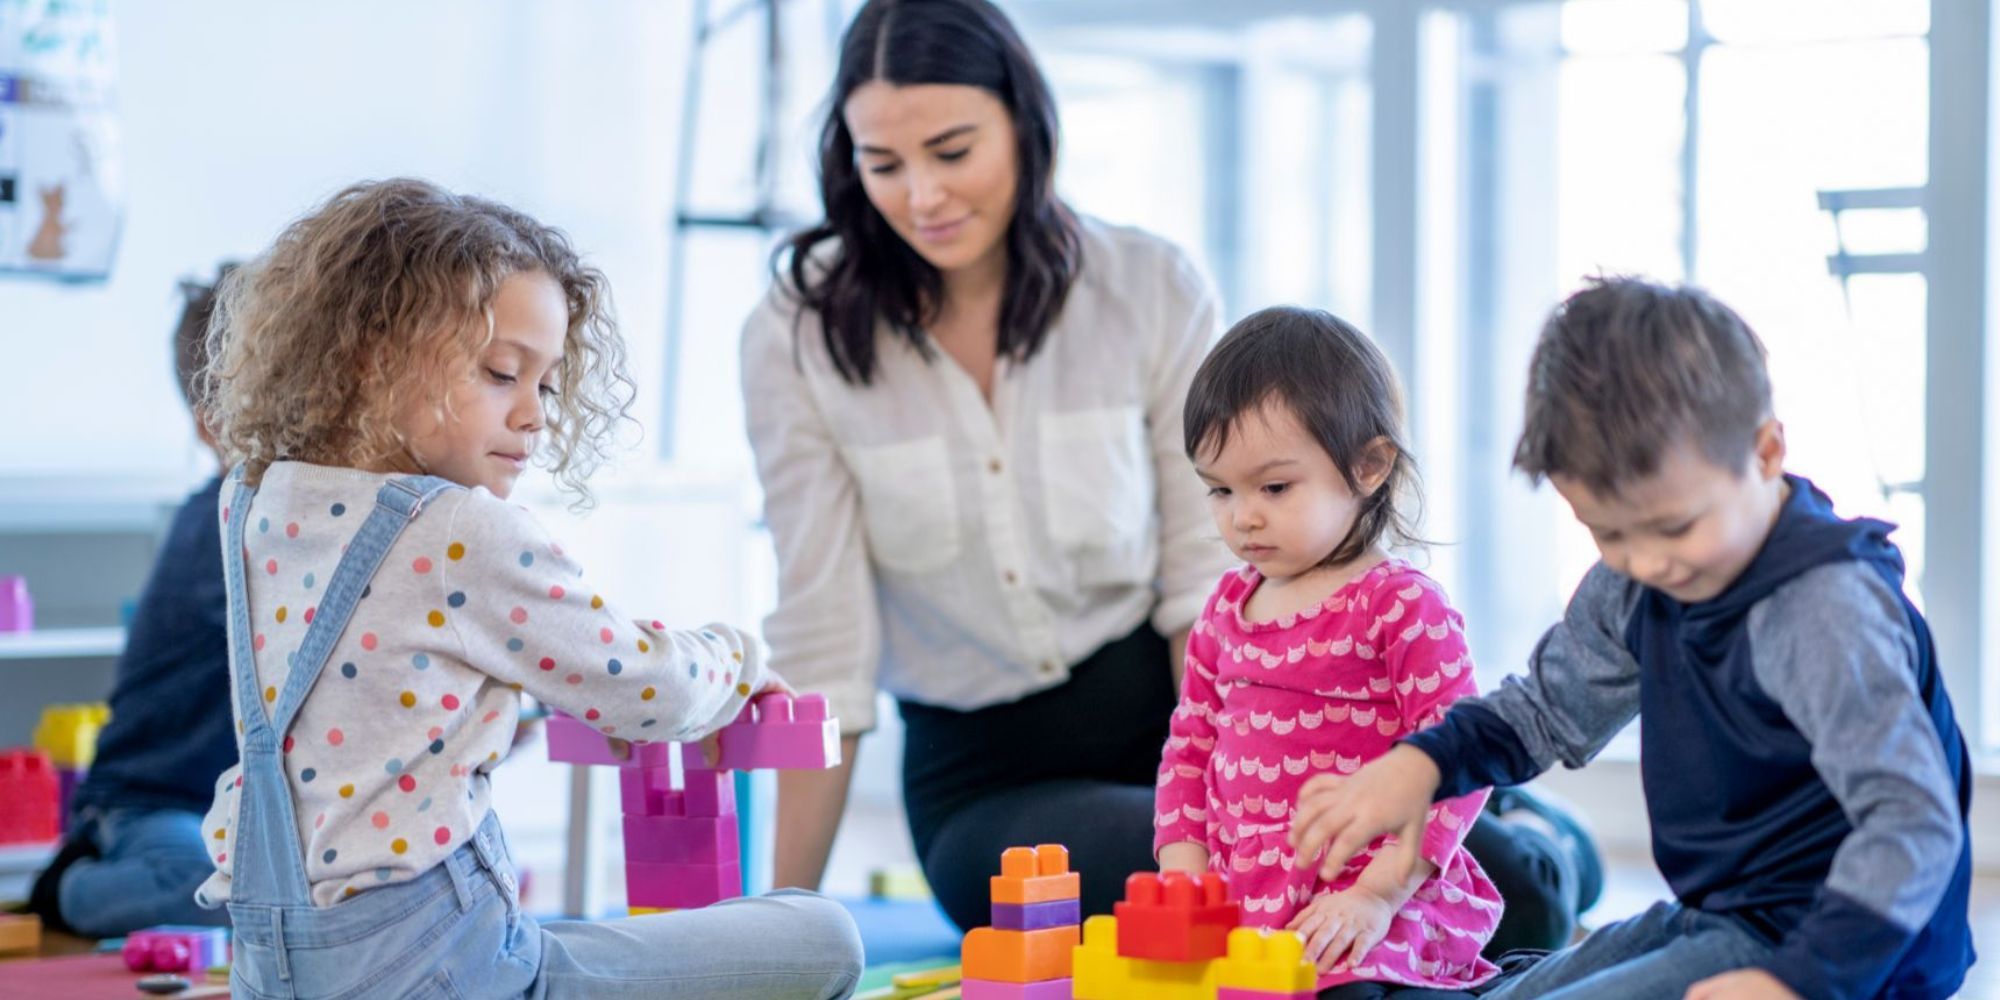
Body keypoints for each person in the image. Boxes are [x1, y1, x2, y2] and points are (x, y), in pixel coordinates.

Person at [743, 0, 1596, 946]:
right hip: (992, 785)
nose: (922, 197)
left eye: (952, 151)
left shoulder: (1146, 286)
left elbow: (1210, 577)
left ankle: (1521, 830)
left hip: (1195, 719)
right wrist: (784, 924)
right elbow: (823, 637)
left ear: (1026, 126)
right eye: (882, 164)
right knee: (1239, 910)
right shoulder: (795, 337)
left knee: (1493, 884)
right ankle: (1515, 833)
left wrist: (1254, 798)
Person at [192, 178, 863, 998]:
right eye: (502, 373)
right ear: (373, 356)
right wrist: (737, 659)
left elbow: (367, 694)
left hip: (275, 972)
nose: (536, 416)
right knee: (822, 935)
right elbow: (649, 686)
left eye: (545, 385)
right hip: (447, 971)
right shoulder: (456, 528)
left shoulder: (252, 502)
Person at [1290, 277, 1975, 1000]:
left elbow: (1912, 824)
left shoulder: (1822, 610)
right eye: (1607, 532)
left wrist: (1795, 982)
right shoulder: (1641, 581)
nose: (1645, 561)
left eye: (1674, 527)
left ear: (1767, 451)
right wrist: (1422, 765)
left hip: (1848, 958)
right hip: (1728, 918)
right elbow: (1545, 711)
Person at [1155, 307, 1499, 994]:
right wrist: (1184, 882)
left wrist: (1375, 897)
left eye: (1275, 487)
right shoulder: (1223, 610)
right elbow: (1189, 749)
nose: (1242, 516)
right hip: (1248, 905)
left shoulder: (1400, 606)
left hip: (1374, 900)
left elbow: (1463, 757)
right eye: (1220, 490)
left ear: (1370, 466)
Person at [27, 268, 239, 937]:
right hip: (151, 805)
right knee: (208, 892)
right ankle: (67, 889)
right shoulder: (217, 526)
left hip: (233, 817)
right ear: (210, 427)